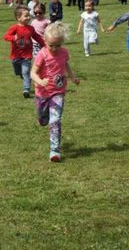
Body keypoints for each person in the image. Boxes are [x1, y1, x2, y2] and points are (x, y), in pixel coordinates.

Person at [30, 22, 80, 162]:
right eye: (51, 45)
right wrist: (40, 81)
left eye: (58, 45)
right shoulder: (42, 54)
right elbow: (32, 73)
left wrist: (73, 77)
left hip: (58, 91)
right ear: (45, 41)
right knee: (43, 118)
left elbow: (66, 65)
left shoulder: (64, 52)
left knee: (56, 120)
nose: (54, 48)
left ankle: (54, 150)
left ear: (62, 42)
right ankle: (41, 119)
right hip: (42, 92)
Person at [3, 5, 45, 98]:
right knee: (18, 72)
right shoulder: (15, 28)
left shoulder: (30, 28)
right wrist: (13, 38)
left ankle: (26, 89)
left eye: (29, 15)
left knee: (26, 72)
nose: (28, 17)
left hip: (27, 55)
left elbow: (37, 37)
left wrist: (45, 45)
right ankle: (23, 76)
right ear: (18, 18)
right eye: (26, 16)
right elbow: (6, 37)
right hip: (15, 56)